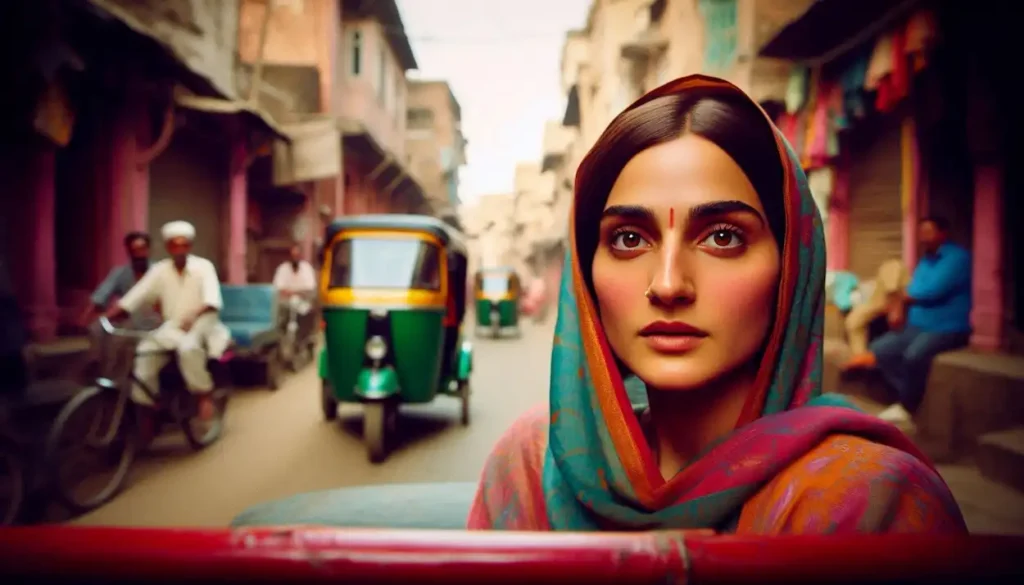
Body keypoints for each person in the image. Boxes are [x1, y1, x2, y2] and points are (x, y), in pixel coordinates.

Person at [466, 75, 965, 534]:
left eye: (723, 237)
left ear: (792, 264)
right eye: (628, 239)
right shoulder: (531, 464)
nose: (667, 284)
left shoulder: (872, 505)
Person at [843, 217, 972, 423]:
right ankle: (910, 392)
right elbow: (912, 290)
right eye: (922, 232)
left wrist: (901, 298)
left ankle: (907, 406)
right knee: (880, 348)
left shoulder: (958, 258)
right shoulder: (925, 261)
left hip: (946, 328)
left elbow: (931, 291)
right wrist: (902, 297)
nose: (924, 237)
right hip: (918, 326)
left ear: (943, 233)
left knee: (914, 356)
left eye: (929, 231)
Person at [105, 221, 230, 423]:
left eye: (184, 245)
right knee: (144, 354)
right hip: (173, 327)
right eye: (174, 245)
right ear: (168, 247)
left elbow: (212, 301)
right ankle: (147, 409)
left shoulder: (203, 266)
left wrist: (193, 314)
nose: (179, 249)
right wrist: (111, 314)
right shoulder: (160, 270)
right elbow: (137, 295)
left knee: (188, 348)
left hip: (204, 323)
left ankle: (203, 392)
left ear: (189, 246)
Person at [841, 259, 909, 356]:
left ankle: (861, 360)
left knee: (893, 266)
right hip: (875, 300)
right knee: (853, 322)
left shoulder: (894, 267)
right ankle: (861, 360)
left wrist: (895, 308)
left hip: (884, 301)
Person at [272, 243, 317, 310]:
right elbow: (278, 289)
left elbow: (310, 290)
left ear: (300, 255)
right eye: (293, 255)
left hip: (303, 304)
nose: (295, 258)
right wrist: (296, 293)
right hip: (285, 305)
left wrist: (292, 293)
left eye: (297, 256)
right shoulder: (282, 268)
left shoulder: (307, 268)